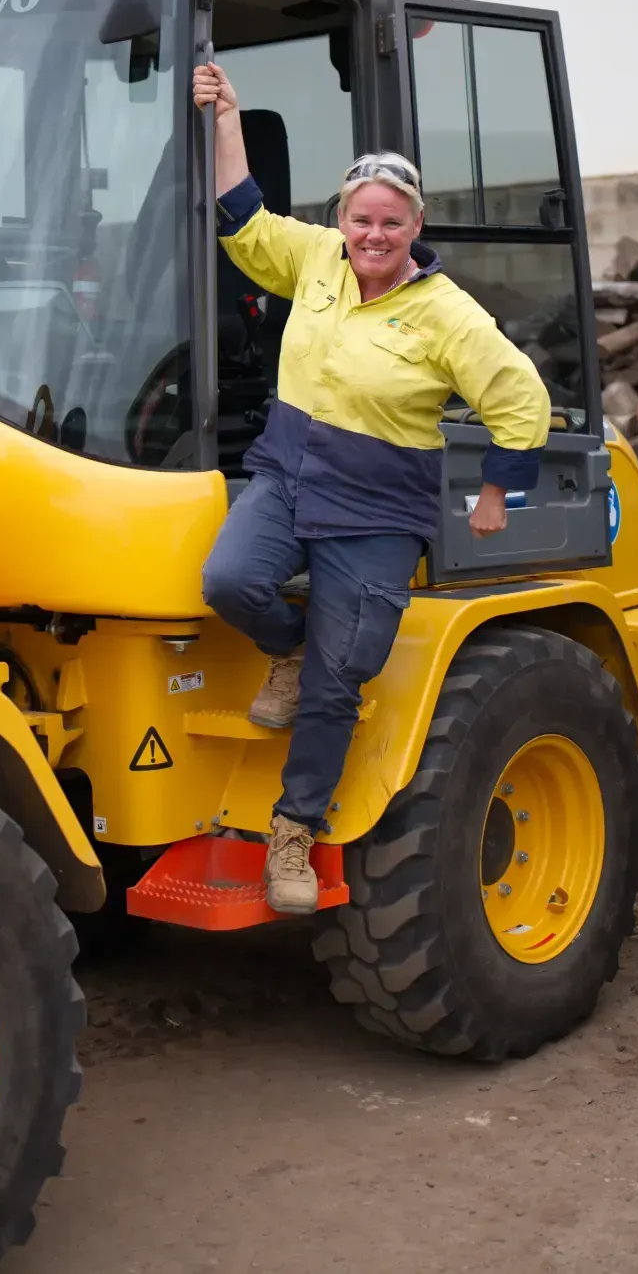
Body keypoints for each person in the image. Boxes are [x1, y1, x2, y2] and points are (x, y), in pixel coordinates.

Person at [194, 61, 551, 916]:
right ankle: (285, 645)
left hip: (378, 508)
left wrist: (499, 493)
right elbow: (241, 215)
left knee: (340, 676)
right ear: (340, 220)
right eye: (361, 219)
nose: (374, 235)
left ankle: (294, 832)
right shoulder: (313, 259)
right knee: (229, 580)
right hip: (288, 474)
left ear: (414, 225)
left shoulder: (446, 314)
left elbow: (519, 397)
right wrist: (228, 116)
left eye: (391, 222)